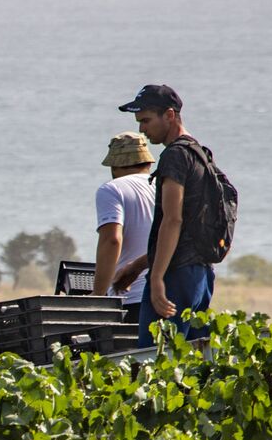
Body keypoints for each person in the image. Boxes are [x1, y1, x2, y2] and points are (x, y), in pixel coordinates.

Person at [115, 85, 216, 346]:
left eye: (146, 121)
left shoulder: (174, 156)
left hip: (176, 275)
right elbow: (189, 230)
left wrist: (157, 277)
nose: (142, 130)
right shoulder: (201, 154)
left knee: (155, 361)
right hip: (201, 275)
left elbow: (173, 220)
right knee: (191, 360)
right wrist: (137, 266)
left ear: (170, 115)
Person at [92, 132, 155, 325]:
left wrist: (98, 294)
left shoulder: (112, 189)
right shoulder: (166, 185)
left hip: (133, 295)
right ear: (148, 163)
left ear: (114, 165)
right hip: (172, 291)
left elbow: (112, 240)